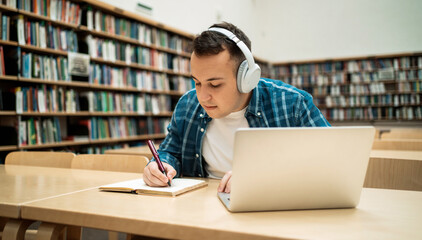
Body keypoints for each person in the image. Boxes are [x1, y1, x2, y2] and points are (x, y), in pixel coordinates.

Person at [143, 22, 330, 192]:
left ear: (246, 78)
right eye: (197, 83)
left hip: (271, 206)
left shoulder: (292, 103)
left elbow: (330, 159)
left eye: (215, 84)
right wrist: (160, 166)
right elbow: (170, 151)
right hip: (201, 209)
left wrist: (265, 175)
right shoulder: (187, 104)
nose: (202, 96)